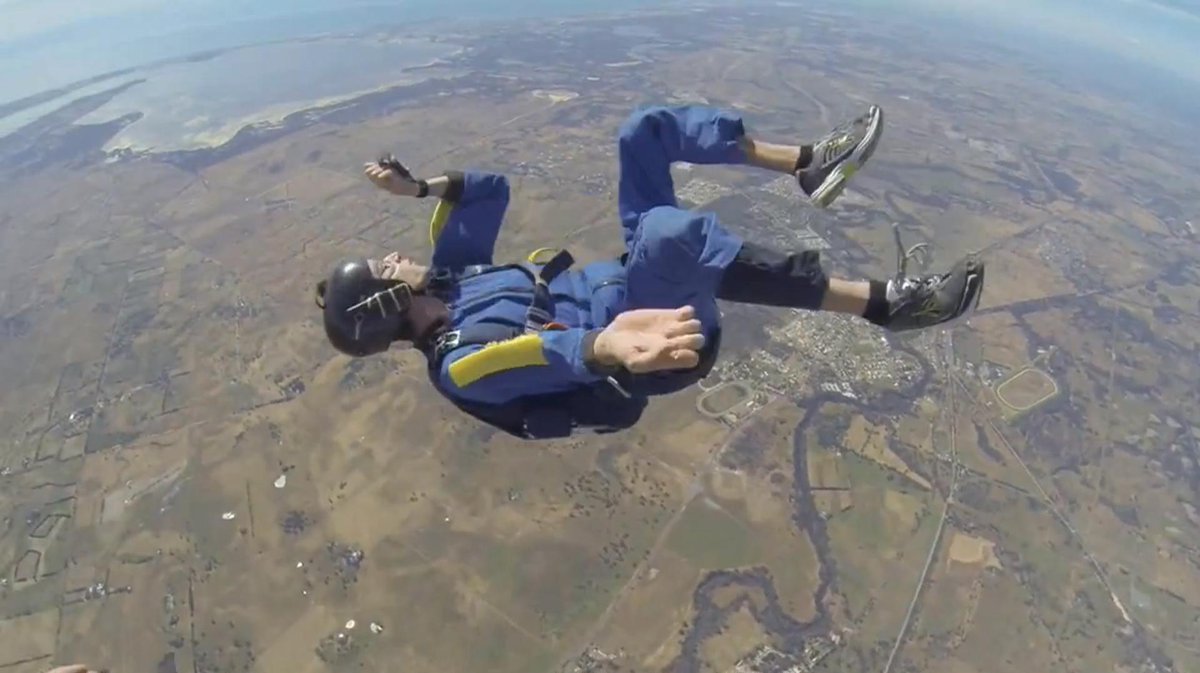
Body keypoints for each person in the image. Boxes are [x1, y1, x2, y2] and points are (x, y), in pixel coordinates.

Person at [315, 103, 984, 439]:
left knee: (644, 132)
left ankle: (808, 164)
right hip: (656, 345)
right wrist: (606, 346)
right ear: (382, 304)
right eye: (384, 266)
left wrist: (419, 191)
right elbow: (541, 351)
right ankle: (887, 304)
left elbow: (489, 190)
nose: (395, 255)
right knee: (672, 238)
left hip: (636, 289)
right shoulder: (460, 362)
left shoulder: (452, 280)